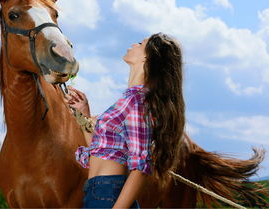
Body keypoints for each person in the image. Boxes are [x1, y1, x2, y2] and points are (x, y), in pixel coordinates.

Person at [64, 32, 185, 209]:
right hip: (97, 192)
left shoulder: (138, 101)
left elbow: (140, 168)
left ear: (148, 57)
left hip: (108, 195)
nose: (133, 44)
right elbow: (101, 152)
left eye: (140, 43)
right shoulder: (130, 99)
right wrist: (84, 113)